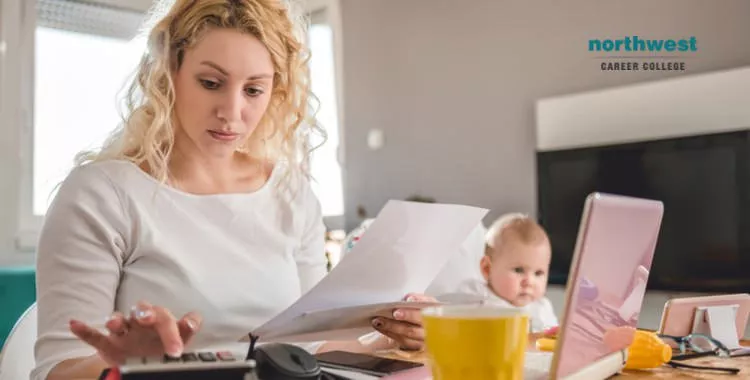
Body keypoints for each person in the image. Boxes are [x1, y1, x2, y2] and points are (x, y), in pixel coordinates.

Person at [32, 1, 428, 379]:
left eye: (253, 90)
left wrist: (390, 338)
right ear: (169, 73)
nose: (232, 112)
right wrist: (136, 366)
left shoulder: (291, 194)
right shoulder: (102, 195)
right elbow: (58, 370)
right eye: (211, 83)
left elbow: (310, 351)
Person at [451, 213, 558, 333]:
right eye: (519, 270)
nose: (529, 282)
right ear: (487, 269)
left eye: (538, 273)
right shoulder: (475, 298)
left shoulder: (542, 308)